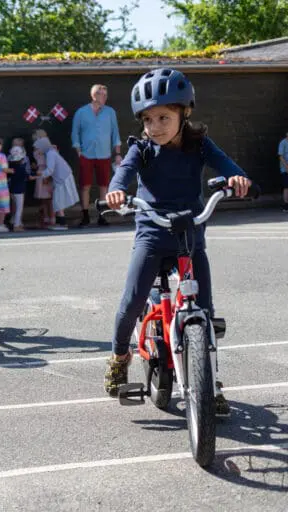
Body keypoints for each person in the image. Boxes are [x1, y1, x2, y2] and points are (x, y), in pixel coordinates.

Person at [103, 68, 251, 415]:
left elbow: (226, 166)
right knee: (132, 300)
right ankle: (119, 356)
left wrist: (238, 178)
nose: (155, 126)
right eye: (149, 119)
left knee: (206, 310)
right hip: (153, 233)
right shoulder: (141, 150)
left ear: (185, 114)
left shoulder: (200, 145)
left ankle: (210, 384)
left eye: (164, 117)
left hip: (190, 234)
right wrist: (116, 190)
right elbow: (123, 173)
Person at [71, 84, 122, 227]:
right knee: (85, 185)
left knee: (103, 185)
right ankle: (85, 215)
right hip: (86, 154)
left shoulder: (110, 112)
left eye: (106, 95)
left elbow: (115, 133)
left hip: (104, 154)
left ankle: (102, 216)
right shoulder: (81, 112)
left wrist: (117, 153)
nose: (105, 97)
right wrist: (78, 151)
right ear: (94, 95)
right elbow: (75, 133)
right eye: (102, 94)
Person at [33, 137, 79, 231]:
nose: (38, 150)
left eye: (39, 148)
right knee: (58, 202)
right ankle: (60, 223)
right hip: (63, 178)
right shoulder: (51, 153)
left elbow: (50, 170)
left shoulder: (50, 154)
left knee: (58, 202)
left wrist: (39, 174)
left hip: (62, 179)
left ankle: (62, 224)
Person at [7, 138, 33, 232]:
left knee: (15, 206)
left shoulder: (11, 167)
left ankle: (15, 222)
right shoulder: (22, 168)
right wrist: (38, 176)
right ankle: (17, 225)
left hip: (12, 189)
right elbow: (29, 176)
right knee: (19, 208)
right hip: (20, 190)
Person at [278, 131, 288, 212]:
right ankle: (286, 204)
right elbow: (281, 156)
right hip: (285, 169)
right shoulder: (283, 143)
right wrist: (286, 167)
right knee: (286, 187)